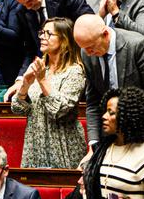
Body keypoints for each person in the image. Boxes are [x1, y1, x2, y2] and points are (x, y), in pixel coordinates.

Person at [75, 14, 144, 151]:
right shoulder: (86, 53)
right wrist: (94, 142)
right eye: (84, 48)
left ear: (105, 34)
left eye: (90, 47)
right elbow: (93, 102)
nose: (88, 53)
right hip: (118, 128)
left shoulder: (138, 45)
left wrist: (131, 134)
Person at [9, 17, 87, 169]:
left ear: (64, 40)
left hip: (63, 145)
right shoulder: (38, 67)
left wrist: (42, 80)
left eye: (49, 34)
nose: (42, 37)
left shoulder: (74, 72)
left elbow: (59, 109)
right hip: (35, 145)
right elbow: (18, 109)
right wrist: (25, 85)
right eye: (42, 33)